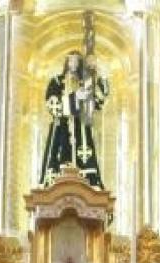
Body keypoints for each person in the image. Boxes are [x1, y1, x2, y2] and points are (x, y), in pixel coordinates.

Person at [39, 51, 109, 188]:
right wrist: (75, 97)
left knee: (86, 161)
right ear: (66, 62)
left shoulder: (86, 83)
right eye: (71, 61)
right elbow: (53, 105)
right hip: (61, 130)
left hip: (81, 129)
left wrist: (101, 75)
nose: (74, 64)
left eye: (77, 61)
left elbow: (98, 102)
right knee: (58, 160)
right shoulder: (57, 81)